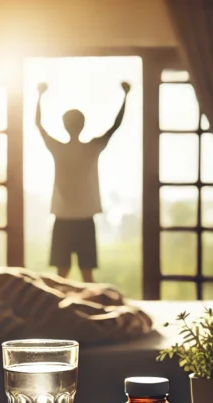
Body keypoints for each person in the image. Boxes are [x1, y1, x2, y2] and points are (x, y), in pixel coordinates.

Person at [36, 80, 130, 283]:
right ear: (83, 125)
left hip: (63, 218)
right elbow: (115, 126)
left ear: (64, 125)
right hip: (84, 219)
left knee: (62, 274)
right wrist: (125, 96)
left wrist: (40, 95)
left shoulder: (58, 148)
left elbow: (38, 124)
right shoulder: (92, 148)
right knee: (86, 275)